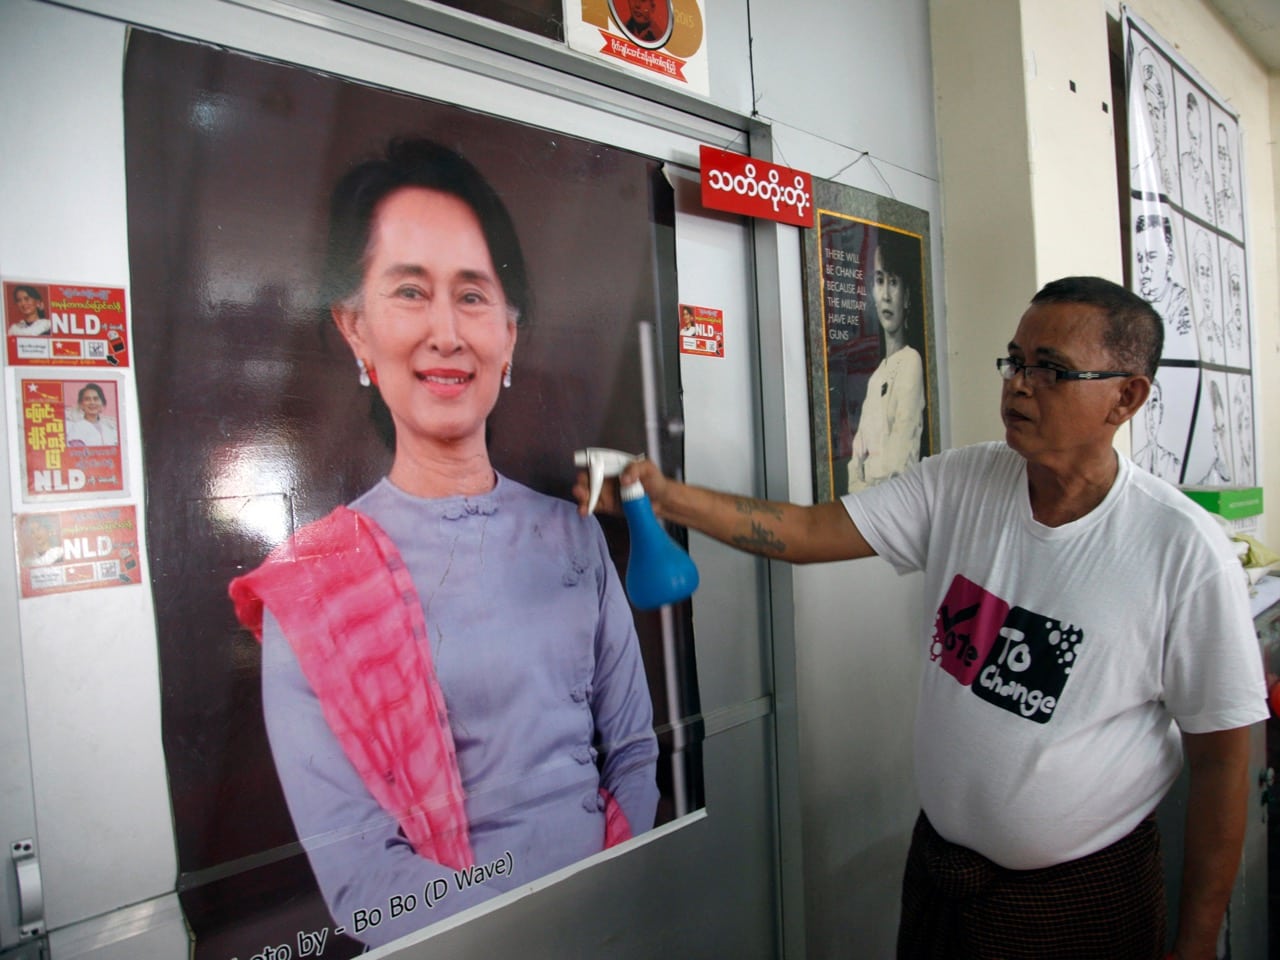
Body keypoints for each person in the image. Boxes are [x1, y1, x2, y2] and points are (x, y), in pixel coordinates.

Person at [577, 276, 1266, 960]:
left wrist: (1198, 940)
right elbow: (809, 532)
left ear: (1127, 396)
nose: (1020, 385)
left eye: (1051, 370)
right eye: (1015, 361)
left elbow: (1223, 762)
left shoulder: (1180, 550)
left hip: (1080, 896)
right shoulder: (963, 482)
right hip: (943, 873)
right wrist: (664, 500)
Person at [229, 138, 659, 949]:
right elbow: (363, 883)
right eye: (409, 293)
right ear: (355, 330)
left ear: (511, 330)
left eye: (471, 295)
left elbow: (634, 752)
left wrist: (613, 894)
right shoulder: (314, 593)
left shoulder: (574, 537)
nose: (445, 332)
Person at [844, 229, 925, 492]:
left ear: (908, 296)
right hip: (870, 510)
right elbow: (854, 464)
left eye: (894, 282)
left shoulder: (911, 361)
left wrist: (868, 470)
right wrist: (865, 471)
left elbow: (897, 463)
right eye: (880, 281)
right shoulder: (877, 375)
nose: (886, 295)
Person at [1134, 213, 1191, 340]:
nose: (1144, 268)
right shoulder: (1134, 307)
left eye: (1151, 257)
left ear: (1169, 258)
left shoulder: (1183, 305)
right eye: (1140, 258)